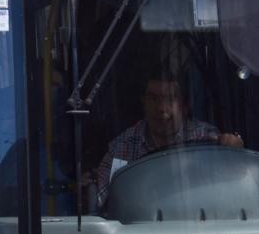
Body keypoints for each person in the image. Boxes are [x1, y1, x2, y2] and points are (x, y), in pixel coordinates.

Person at [93, 74, 243, 208]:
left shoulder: (205, 137)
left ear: (185, 106)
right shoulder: (122, 146)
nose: (161, 108)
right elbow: (101, 199)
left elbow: (231, 185)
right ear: (143, 103)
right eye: (153, 98)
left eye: (170, 98)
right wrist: (88, 192)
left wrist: (233, 146)